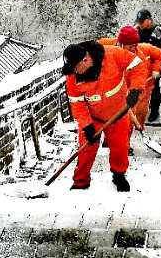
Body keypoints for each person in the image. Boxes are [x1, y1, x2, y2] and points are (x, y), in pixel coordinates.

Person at [62, 40, 145, 192]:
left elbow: (138, 64)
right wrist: (87, 125)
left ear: (85, 60)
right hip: (92, 117)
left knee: (120, 148)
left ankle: (119, 175)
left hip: (118, 113)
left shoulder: (112, 54)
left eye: (76, 68)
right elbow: (77, 104)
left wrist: (136, 88)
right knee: (86, 150)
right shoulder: (72, 77)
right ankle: (81, 181)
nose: (74, 73)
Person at [99, 26, 161, 140]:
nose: (135, 48)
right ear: (121, 43)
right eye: (131, 46)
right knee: (110, 117)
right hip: (109, 89)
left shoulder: (139, 57)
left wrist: (134, 92)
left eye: (136, 45)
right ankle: (109, 139)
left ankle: (125, 144)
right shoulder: (106, 45)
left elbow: (139, 77)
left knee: (128, 118)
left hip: (131, 89)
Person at [134, 9, 161, 122]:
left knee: (154, 90)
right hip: (138, 66)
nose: (140, 24)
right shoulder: (135, 30)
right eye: (139, 22)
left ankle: (154, 110)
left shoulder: (159, 34)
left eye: (142, 21)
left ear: (149, 20)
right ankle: (137, 109)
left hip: (154, 68)